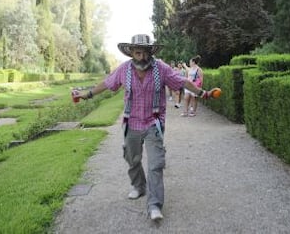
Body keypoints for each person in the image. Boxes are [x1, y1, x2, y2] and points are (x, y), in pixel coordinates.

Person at [75, 34, 216, 221]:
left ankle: (155, 205)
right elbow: (108, 83)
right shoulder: (124, 70)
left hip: (153, 123)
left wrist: (203, 93)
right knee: (132, 159)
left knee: (156, 164)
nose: (141, 57)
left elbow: (182, 82)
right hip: (131, 122)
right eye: (137, 53)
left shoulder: (162, 69)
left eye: (145, 52)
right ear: (132, 53)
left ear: (150, 52)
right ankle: (138, 186)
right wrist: (87, 94)